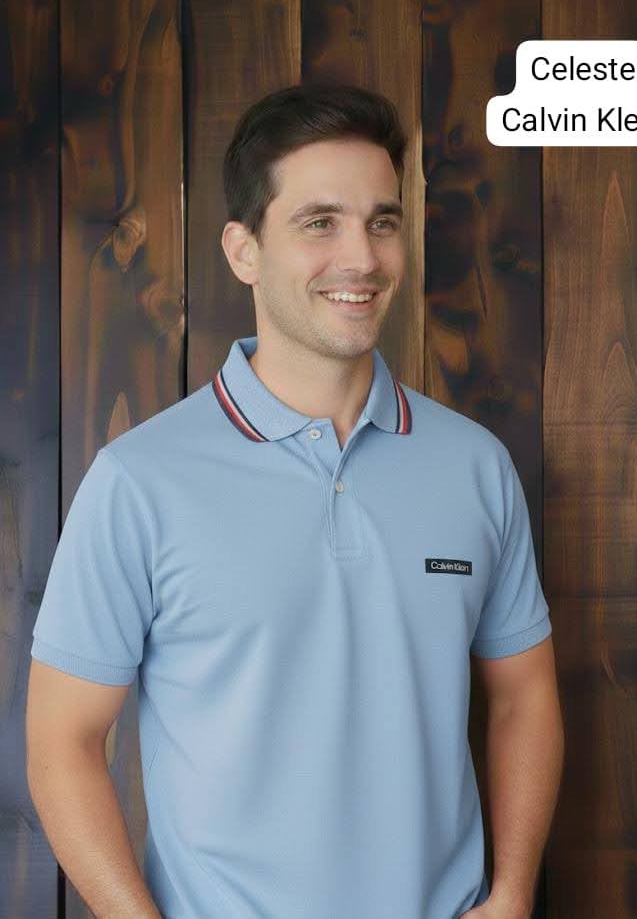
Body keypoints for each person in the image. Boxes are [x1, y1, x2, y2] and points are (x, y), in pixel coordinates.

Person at [26, 83, 564, 919]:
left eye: (381, 222)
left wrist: (513, 894)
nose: (362, 258)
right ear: (243, 250)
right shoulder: (140, 480)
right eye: (319, 222)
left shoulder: (473, 467)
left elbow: (523, 695)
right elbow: (61, 741)